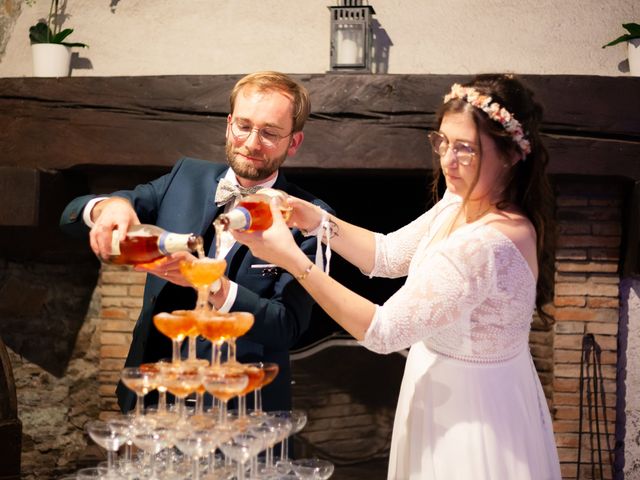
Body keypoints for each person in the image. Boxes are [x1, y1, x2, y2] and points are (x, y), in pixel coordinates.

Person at [234, 74, 561, 479]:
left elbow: (385, 331)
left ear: (512, 154)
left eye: (466, 149)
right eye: (443, 142)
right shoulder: (460, 201)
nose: (448, 161)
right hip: (438, 395)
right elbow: (387, 255)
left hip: (470, 416)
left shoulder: (485, 244)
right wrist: (313, 218)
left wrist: (293, 261)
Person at [59, 71, 333, 414]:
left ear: (293, 142)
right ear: (228, 123)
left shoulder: (310, 218)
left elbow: (287, 327)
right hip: (152, 402)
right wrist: (108, 205)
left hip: (245, 413)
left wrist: (215, 286)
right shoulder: (185, 177)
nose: (251, 143)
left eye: (270, 133)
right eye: (244, 126)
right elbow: (70, 216)